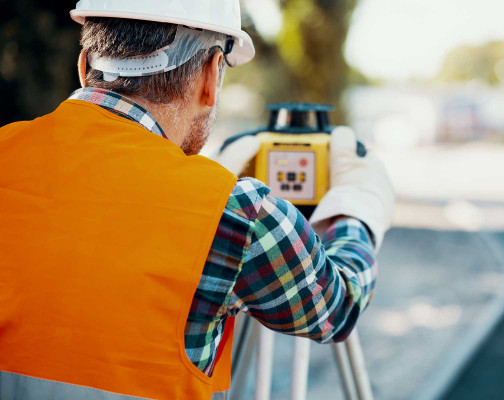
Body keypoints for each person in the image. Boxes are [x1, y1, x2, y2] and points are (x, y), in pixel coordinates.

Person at [0, 1, 394, 399]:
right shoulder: (238, 213)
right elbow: (335, 307)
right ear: (211, 74)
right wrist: (357, 211)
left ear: (85, 66)